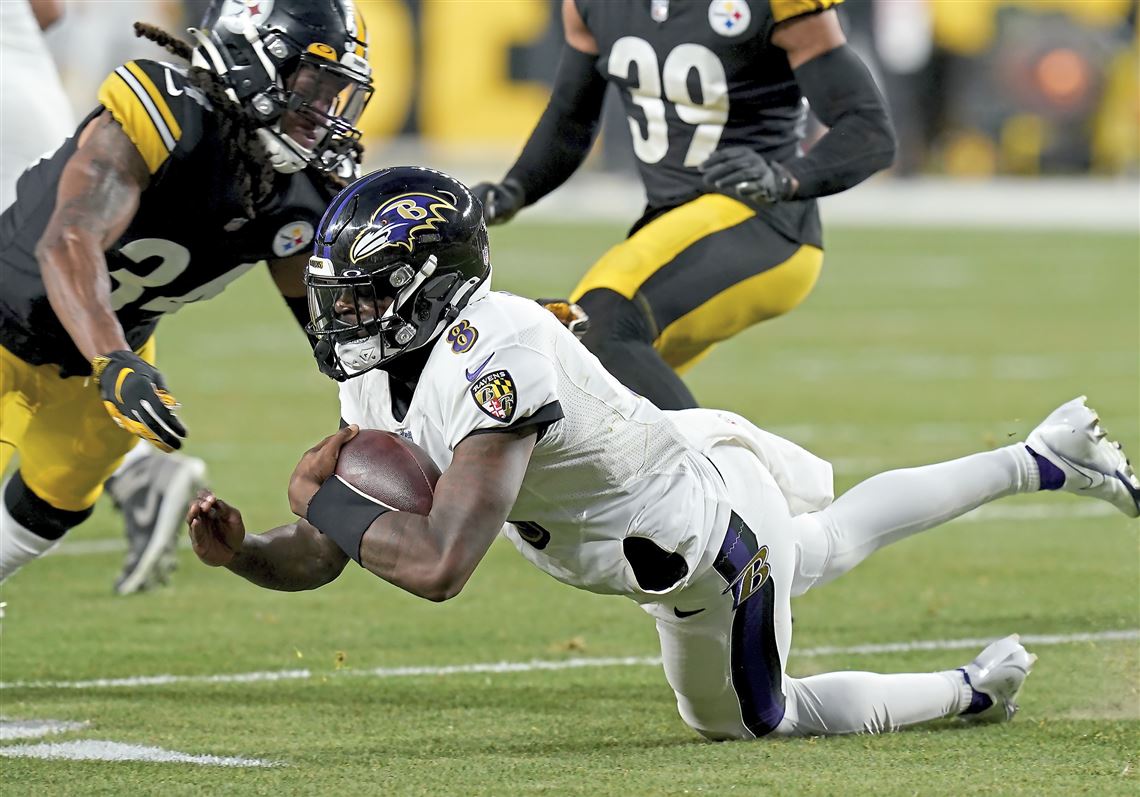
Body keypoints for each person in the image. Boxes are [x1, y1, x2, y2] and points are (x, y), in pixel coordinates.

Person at [189, 167, 1139, 740]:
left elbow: (438, 563)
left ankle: (973, 691)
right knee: (826, 544)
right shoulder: (388, 364)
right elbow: (329, 542)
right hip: (679, 458)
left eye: (359, 294)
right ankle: (1040, 455)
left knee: (752, 721)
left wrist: (325, 494)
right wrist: (247, 555)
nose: (338, 316)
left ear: (424, 288)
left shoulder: (496, 355)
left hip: (695, 539)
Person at [0, 0, 374, 595]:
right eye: (314, 84)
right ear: (255, 62)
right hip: (31, 329)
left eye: (337, 94)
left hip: (108, 356)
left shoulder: (299, 191)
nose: (324, 112)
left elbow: (342, 333)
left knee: (61, 493)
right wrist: (114, 361)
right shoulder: (168, 113)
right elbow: (69, 241)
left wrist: (464, 339)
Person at [472, 0, 896, 410]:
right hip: (671, 222)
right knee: (583, 390)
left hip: (763, 222)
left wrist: (785, 177)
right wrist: (514, 189)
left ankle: (717, 478)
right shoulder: (591, 5)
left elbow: (869, 131)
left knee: (595, 324)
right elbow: (571, 117)